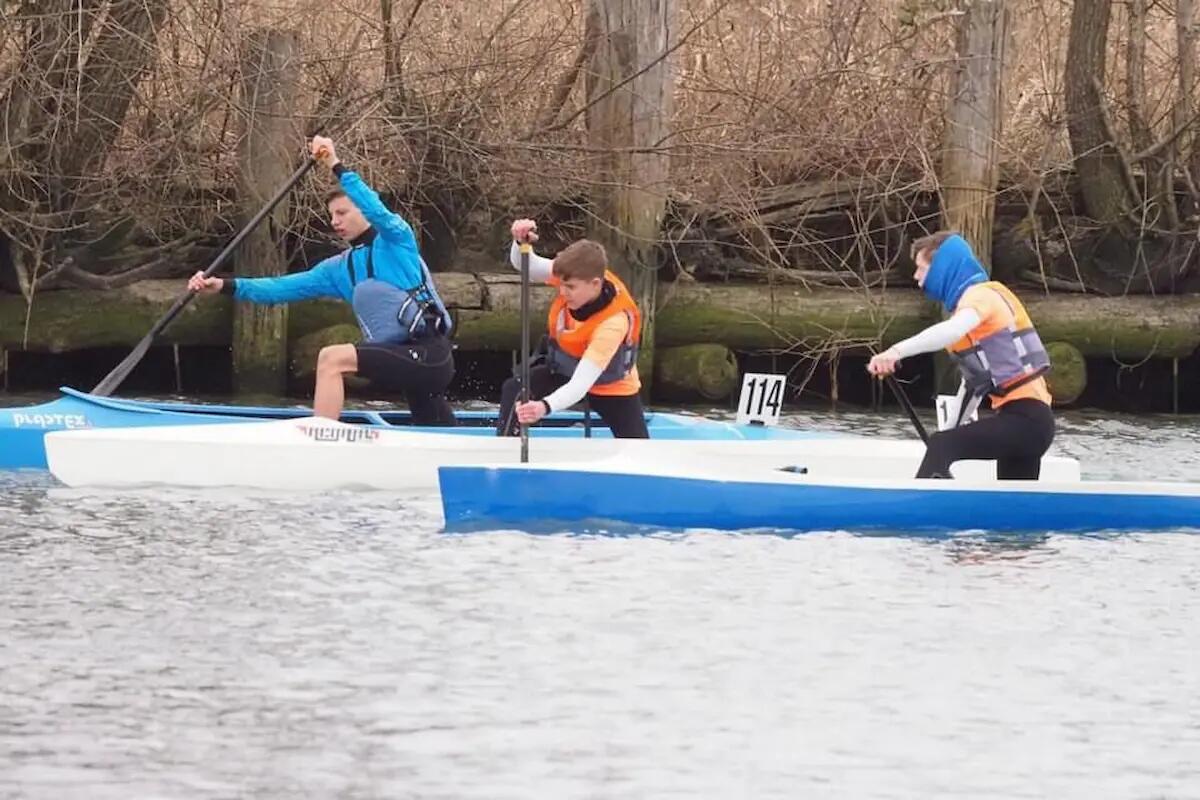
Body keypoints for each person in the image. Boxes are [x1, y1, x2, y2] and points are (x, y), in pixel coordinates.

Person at [188, 136, 456, 424]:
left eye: (342, 212)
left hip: (431, 354)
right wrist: (225, 286)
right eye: (331, 215)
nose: (334, 221)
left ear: (364, 212)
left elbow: (376, 208)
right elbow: (281, 288)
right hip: (402, 357)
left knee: (331, 359)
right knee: (433, 424)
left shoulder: (397, 241)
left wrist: (334, 164)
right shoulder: (339, 269)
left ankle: (321, 440)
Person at [867, 231, 1054, 479]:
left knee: (941, 444)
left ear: (944, 268)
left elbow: (951, 330)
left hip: (1027, 420)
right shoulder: (970, 318)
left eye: (921, 268)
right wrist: (952, 432)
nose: (916, 276)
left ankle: (921, 512)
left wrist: (895, 352)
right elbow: (973, 386)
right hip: (1025, 423)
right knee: (1012, 509)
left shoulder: (981, 295)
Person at [497, 219, 649, 438]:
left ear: (595, 284)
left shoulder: (613, 324)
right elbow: (526, 264)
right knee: (515, 388)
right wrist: (520, 241)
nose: (564, 292)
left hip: (611, 387)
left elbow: (580, 385)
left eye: (571, 288)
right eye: (561, 285)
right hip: (563, 371)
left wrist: (543, 407)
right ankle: (505, 448)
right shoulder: (571, 275)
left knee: (639, 447)